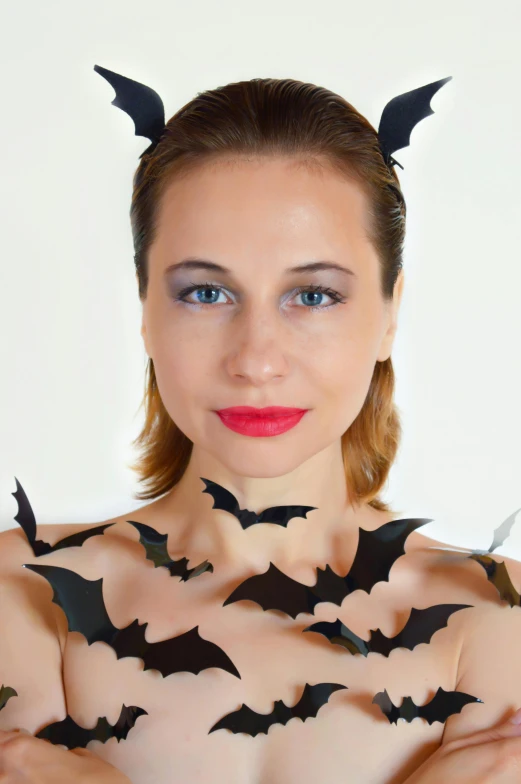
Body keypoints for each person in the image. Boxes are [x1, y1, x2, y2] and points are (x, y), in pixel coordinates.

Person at [0, 67, 520, 784]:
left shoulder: (497, 618)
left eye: (312, 294)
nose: (255, 360)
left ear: (389, 313)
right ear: (145, 308)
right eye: (205, 292)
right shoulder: (23, 593)